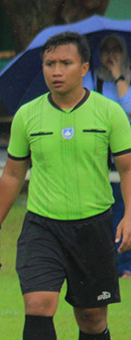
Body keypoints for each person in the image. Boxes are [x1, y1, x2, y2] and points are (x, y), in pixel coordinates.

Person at [0, 31, 131, 340]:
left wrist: (129, 215)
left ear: (85, 68)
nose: (56, 71)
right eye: (49, 64)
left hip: (94, 226)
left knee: (92, 319)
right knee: (38, 304)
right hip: (42, 226)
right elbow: (14, 174)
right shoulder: (29, 115)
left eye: (65, 64)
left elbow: (127, 167)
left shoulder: (109, 113)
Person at [93, 33, 131, 278]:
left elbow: (127, 108)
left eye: (116, 49)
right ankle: (108, 265)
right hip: (99, 157)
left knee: (125, 209)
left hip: (125, 155)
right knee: (103, 214)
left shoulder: (127, 77)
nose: (111, 55)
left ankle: (125, 264)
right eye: (106, 49)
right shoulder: (92, 79)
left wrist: (118, 75)